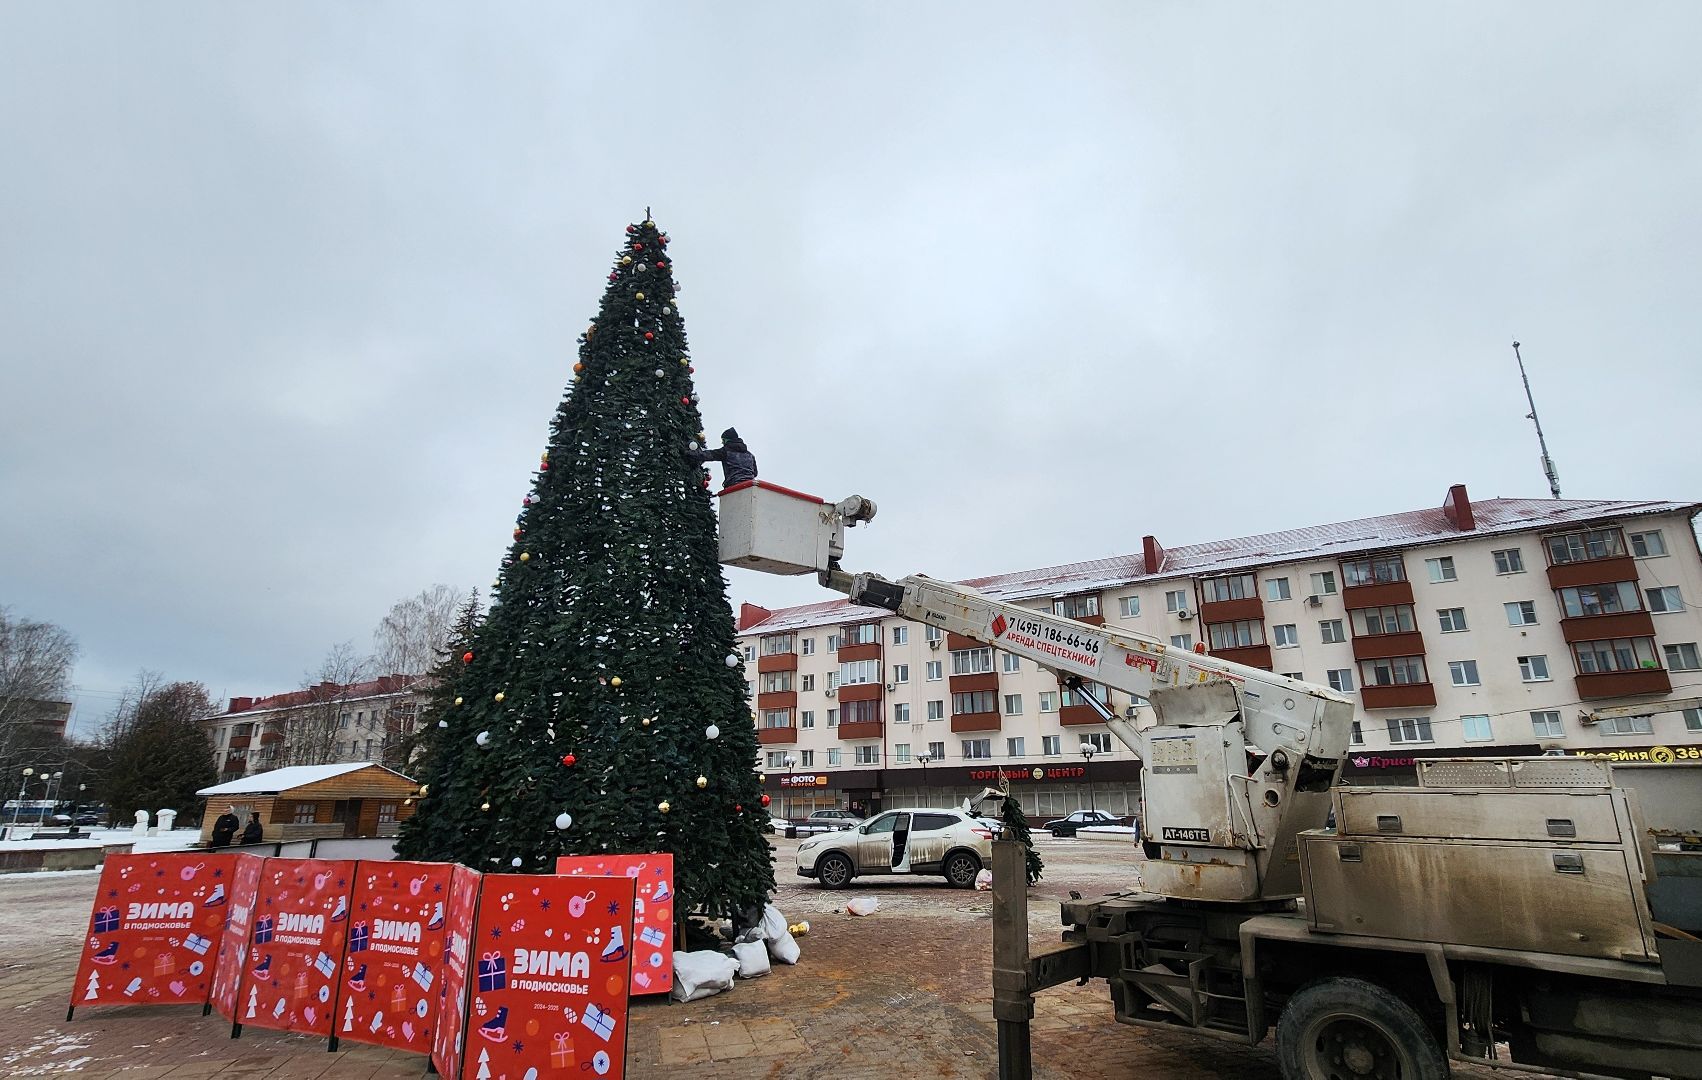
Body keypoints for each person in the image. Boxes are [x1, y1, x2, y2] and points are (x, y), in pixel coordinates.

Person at [686, 428, 757, 488]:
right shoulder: (750, 455)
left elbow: (708, 455)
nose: (722, 443)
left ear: (727, 440)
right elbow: (755, 473)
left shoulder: (725, 451)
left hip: (734, 485)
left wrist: (688, 452)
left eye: (723, 440)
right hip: (751, 485)